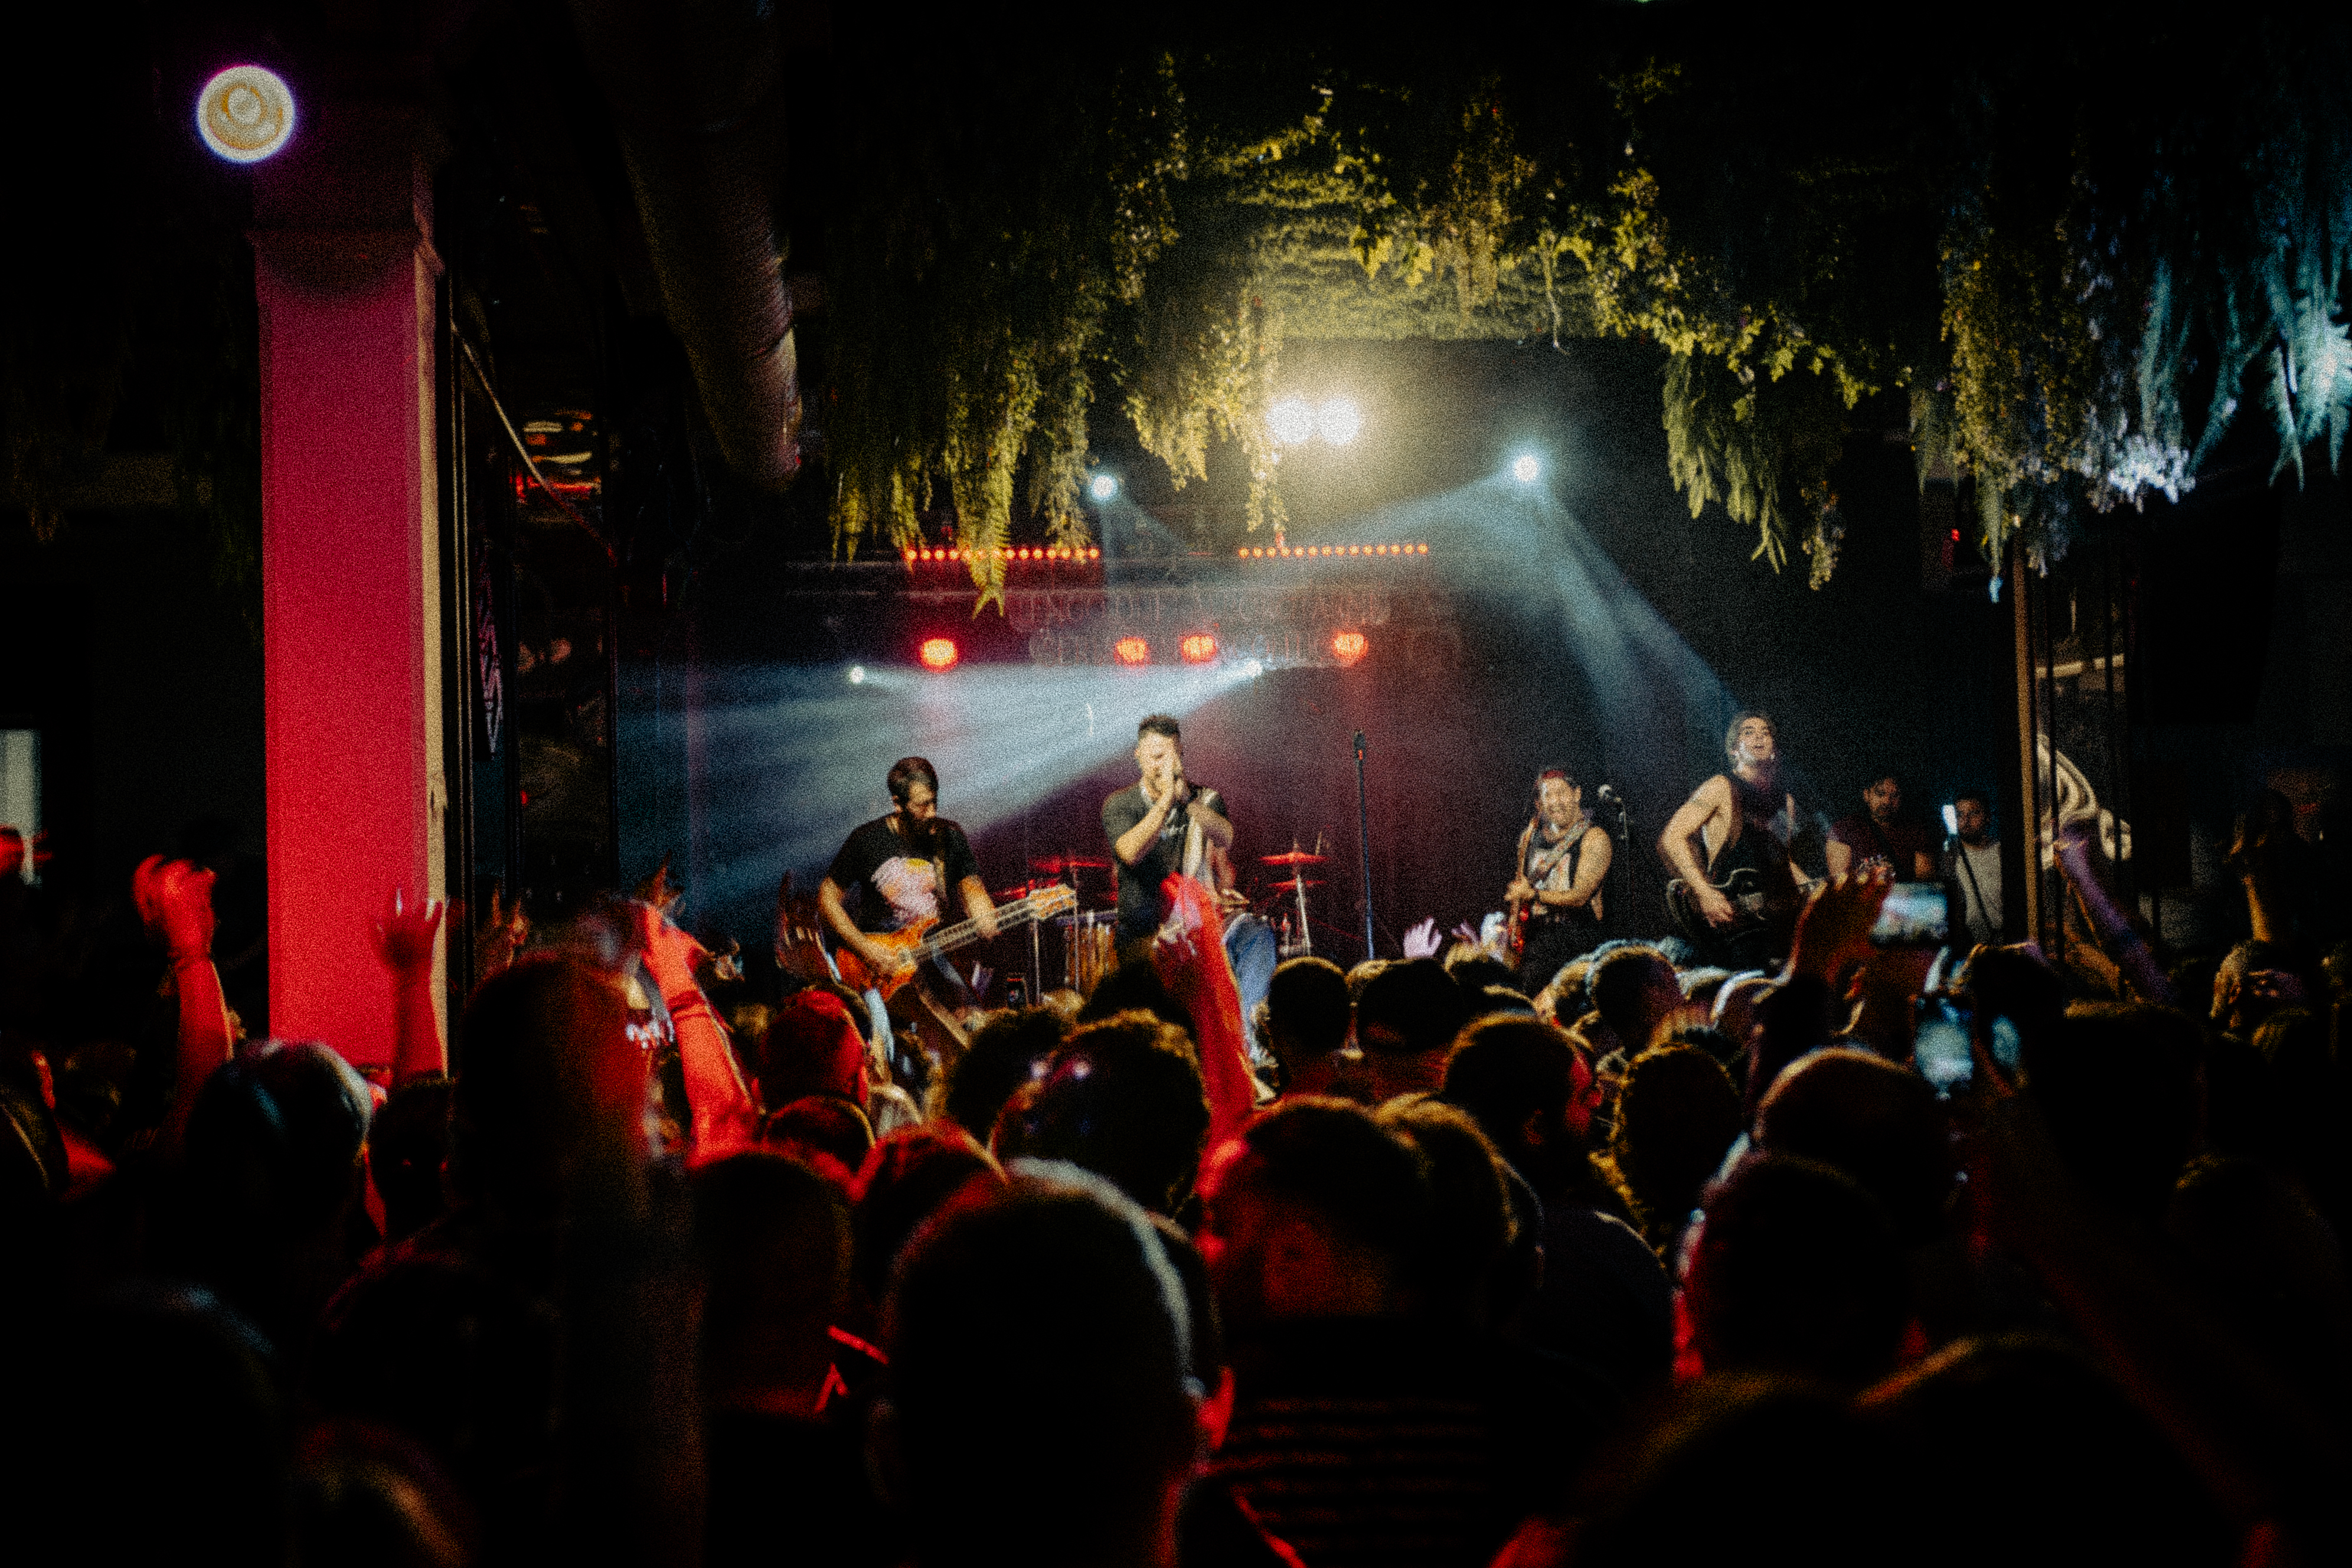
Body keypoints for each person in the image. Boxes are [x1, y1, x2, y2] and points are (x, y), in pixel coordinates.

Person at [818, 757, 998, 1027]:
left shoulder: (949, 836)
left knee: (974, 1024)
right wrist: (865, 947)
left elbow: (971, 887)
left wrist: (983, 912)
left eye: (934, 801)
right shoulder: (867, 840)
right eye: (922, 805)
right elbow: (827, 897)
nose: (932, 812)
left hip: (934, 960)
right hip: (880, 967)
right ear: (897, 804)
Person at [1657, 711, 1809, 969]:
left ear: (1774, 748)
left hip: (1776, 924)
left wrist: (1818, 890)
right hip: (1734, 922)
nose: (1759, 737)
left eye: (1766, 732)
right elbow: (1673, 836)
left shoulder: (1787, 802)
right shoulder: (1721, 786)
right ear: (1734, 749)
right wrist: (1704, 893)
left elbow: (1784, 862)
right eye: (1748, 732)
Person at [1505, 770, 1612, 989]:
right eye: (1548, 795)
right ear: (1539, 802)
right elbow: (1520, 888)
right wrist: (1511, 938)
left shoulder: (1594, 838)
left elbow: (1579, 896)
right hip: (1536, 947)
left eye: (1561, 793)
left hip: (1577, 949)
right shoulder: (1529, 837)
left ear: (1577, 794)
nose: (1555, 802)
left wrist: (1534, 895)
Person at [1827, 772, 1939, 882]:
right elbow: (1840, 881)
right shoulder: (1845, 829)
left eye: (1894, 796)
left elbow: (1925, 879)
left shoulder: (1915, 831)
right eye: (1880, 794)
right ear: (1867, 795)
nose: (1887, 801)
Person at [1944, 788, 2004, 946]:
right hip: (1968, 946)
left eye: (1974, 813)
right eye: (1960, 815)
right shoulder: (1950, 857)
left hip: (2003, 941)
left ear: (1988, 817)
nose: (1966, 821)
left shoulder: (2002, 853)